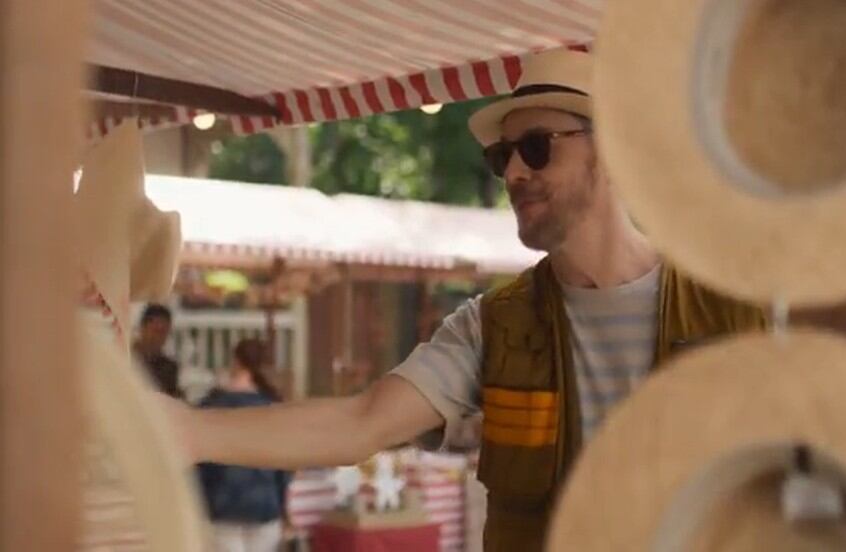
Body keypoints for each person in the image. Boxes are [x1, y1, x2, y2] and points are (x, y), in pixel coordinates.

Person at [164, 49, 764, 551]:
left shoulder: (737, 306)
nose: (514, 173)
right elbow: (359, 423)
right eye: (503, 156)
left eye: (537, 147)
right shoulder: (493, 325)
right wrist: (189, 431)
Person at [196, 338, 291, 552]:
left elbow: (199, 464)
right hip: (264, 505)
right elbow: (284, 467)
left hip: (221, 506)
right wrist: (283, 506)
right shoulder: (273, 407)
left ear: (236, 361)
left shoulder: (211, 406)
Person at [133, 303, 183, 399]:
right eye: (155, 331)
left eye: (163, 332)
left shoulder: (169, 368)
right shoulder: (125, 358)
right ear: (142, 328)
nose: (158, 337)